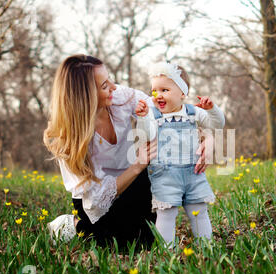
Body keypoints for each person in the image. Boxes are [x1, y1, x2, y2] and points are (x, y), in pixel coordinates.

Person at [43, 55, 210, 250]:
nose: (113, 87)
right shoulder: (70, 139)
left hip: (135, 183)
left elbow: (166, 109)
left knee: (148, 237)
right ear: (87, 96)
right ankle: (73, 226)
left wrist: (207, 137)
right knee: (121, 243)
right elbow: (96, 201)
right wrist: (137, 165)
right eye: (104, 85)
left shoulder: (120, 97)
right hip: (97, 200)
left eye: (110, 79)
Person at [134, 61, 225, 247]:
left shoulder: (194, 112)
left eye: (164, 90)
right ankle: (167, 251)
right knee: (166, 214)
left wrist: (212, 110)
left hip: (194, 173)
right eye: (154, 91)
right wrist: (142, 118)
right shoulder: (152, 114)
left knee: (198, 210)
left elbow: (217, 125)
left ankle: (205, 247)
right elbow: (146, 135)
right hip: (165, 175)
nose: (158, 95)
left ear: (182, 93)